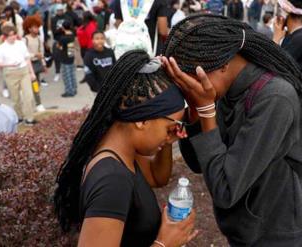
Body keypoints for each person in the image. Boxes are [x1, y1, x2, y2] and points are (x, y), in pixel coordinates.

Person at [163, 14, 302, 246]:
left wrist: (208, 111)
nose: (192, 87)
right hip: (245, 231)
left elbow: (225, 189)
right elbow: (199, 164)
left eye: (191, 78)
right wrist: (196, 113)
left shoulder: (275, 97)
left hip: (276, 234)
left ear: (224, 63)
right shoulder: (225, 87)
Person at [54, 50, 198, 246]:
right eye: (170, 127)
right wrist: (164, 243)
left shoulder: (120, 150)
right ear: (142, 121)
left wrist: (166, 141)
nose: (171, 132)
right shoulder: (112, 181)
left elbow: (158, 178)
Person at [0, 25, 36, 126]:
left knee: (29, 96)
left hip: (24, 71)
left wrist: (32, 72)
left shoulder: (21, 44)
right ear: (5, 37)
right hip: (10, 73)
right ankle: (19, 117)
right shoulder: (2, 48)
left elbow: (27, 58)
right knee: (15, 98)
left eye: (14, 35)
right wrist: (9, 64)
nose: (13, 37)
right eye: (10, 36)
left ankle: (29, 118)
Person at [23, 14, 46, 112]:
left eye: (37, 27)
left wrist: (44, 64)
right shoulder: (26, 39)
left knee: (37, 84)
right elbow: (24, 54)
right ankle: (38, 103)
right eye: (34, 27)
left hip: (37, 64)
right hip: (29, 65)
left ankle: (35, 102)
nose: (37, 29)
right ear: (29, 29)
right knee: (33, 84)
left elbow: (42, 52)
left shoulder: (39, 39)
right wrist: (35, 55)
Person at [273, 0, 302, 70]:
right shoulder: (295, 35)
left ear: (286, 14)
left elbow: (276, 66)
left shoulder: (298, 39)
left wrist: (276, 39)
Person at [57, 20, 77, 97]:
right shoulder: (72, 35)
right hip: (71, 55)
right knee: (72, 73)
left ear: (63, 27)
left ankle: (69, 91)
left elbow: (59, 47)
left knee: (66, 75)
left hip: (65, 57)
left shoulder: (63, 38)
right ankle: (74, 88)